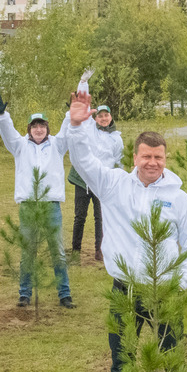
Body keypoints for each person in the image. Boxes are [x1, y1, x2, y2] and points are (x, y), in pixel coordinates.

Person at [67, 88, 187, 372]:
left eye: (158, 157)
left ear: (166, 158)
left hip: (165, 292)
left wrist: (180, 284)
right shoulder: (113, 185)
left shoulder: (178, 197)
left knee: (174, 361)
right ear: (134, 156)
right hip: (125, 289)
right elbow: (83, 161)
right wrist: (77, 125)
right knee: (121, 362)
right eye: (146, 156)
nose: (152, 163)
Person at [0, 93, 75, 309]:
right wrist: (2, 115)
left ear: (47, 127)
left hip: (51, 205)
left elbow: (67, 130)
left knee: (57, 252)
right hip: (29, 206)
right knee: (28, 252)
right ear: (29, 128)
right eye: (34, 126)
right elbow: (7, 132)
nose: (39, 130)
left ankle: (64, 294)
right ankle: (24, 294)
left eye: (42, 126)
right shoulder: (19, 146)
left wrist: (70, 112)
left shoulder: (57, 145)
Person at [68, 105, 122, 263]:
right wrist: (83, 82)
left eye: (106, 115)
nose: (103, 118)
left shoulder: (116, 138)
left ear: (111, 117)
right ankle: (76, 251)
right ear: (95, 118)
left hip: (103, 182)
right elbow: (83, 107)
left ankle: (100, 250)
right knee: (80, 216)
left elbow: (119, 161)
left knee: (101, 217)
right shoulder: (89, 128)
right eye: (100, 116)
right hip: (83, 180)